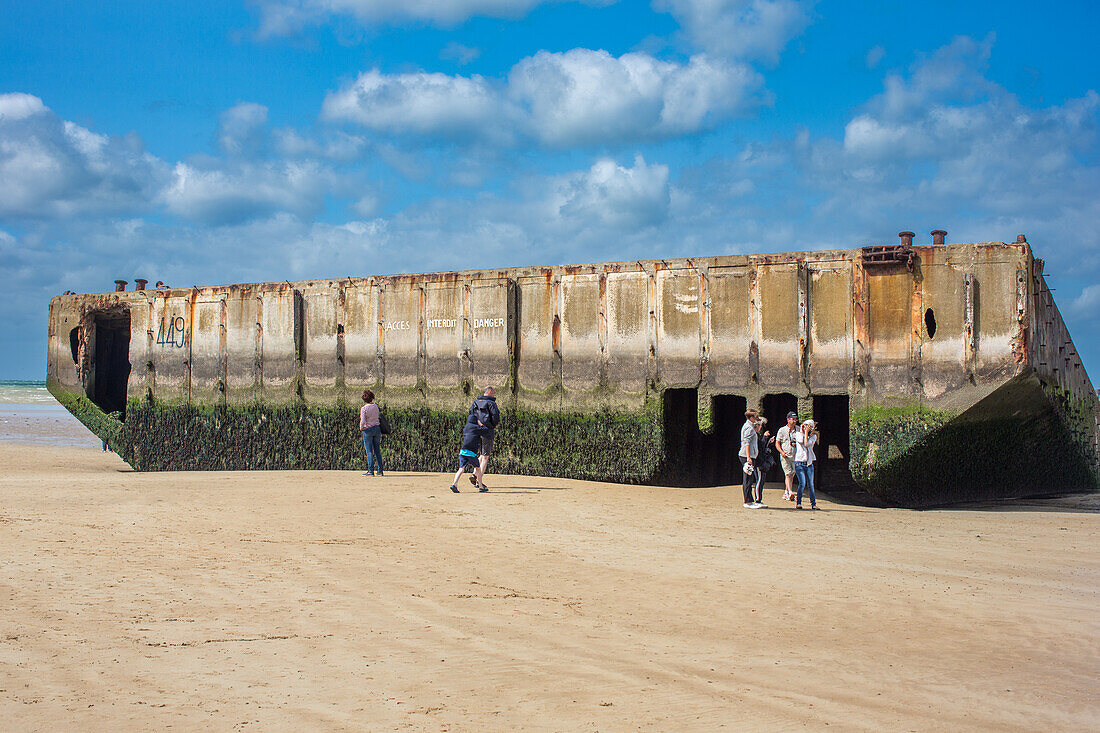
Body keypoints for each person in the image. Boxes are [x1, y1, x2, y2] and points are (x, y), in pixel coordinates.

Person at [466, 387, 501, 489]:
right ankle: (478, 480)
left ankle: (474, 474)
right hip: (486, 431)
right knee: (485, 456)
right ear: (489, 392)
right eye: (493, 393)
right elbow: (495, 417)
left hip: (476, 431)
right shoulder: (491, 404)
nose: (494, 395)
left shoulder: (475, 402)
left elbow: (470, 415)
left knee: (481, 454)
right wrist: (491, 426)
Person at [449, 419, 486, 493]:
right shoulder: (477, 428)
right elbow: (485, 430)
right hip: (471, 453)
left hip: (462, 451)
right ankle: (481, 487)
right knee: (478, 469)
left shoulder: (467, 427)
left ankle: (454, 484)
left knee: (461, 469)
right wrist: (480, 424)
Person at [739, 408, 763, 508]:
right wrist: (748, 457)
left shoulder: (750, 426)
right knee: (748, 478)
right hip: (746, 456)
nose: (757, 419)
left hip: (750, 455)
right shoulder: (748, 427)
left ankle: (750, 500)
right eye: (756, 417)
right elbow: (746, 443)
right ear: (751, 417)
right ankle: (747, 501)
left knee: (750, 477)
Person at [793, 419, 819, 510]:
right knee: (802, 483)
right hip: (799, 462)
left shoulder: (814, 437)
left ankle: (813, 504)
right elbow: (800, 440)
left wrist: (807, 433)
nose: (805, 428)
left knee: (811, 484)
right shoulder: (798, 434)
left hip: (809, 463)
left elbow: (806, 444)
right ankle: (798, 503)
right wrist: (802, 431)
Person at [359, 389, 383, 477]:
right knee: (377, 450)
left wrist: (361, 428)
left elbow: (363, 421)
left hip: (368, 430)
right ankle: (380, 470)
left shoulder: (364, 408)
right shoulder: (376, 406)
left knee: (369, 451)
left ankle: (370, 470)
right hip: (377, 428)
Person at [776, 411, 799, 501]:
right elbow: (777, 443)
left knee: (792, 474)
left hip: (795, 455)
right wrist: (781, 452)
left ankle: (786, 492)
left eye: (795, 419)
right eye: (792, 419)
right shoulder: (782, 430)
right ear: (788, 420)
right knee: (788, 474)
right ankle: (790, 492)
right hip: (785, 455)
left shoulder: (798, 429)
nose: (794, 421)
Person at [753, 417, 774, 507]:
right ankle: (757, 500)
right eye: (760, 425)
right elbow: (759, 447)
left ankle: (759, 499)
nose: (761, 427)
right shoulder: (754, 435)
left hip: (762, 461)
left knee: (761, 481)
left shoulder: (757, 435)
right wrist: (765, 437)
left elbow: (762, 447)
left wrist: (768, 441)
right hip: (758, 462)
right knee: (759, 481)